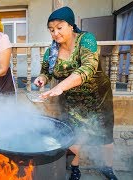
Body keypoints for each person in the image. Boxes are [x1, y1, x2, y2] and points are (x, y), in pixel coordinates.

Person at [34, 6, 118, 180]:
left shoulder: (86, 40)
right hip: (71, 101)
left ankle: (108, 167)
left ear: (71, 25)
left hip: (98, 98)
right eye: (51, 30)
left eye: (59, 27)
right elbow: (46, 72)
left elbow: (89, 68)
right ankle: (75, 168)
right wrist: (42, 78)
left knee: (105, 135)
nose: (55, 33)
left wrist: (60, 86)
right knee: (73, 137)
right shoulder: (51, 52)